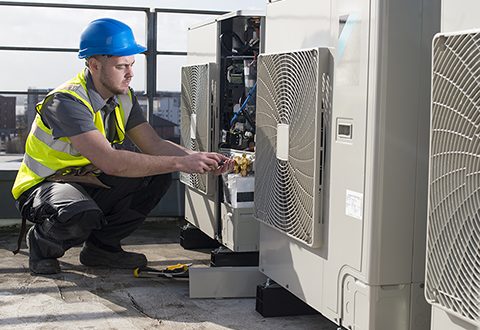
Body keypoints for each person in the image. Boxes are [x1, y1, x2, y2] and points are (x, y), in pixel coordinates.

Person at [11, 18, 233, 275]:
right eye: (121, 66)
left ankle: (101, 248)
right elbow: (110, 162)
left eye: (132, 64)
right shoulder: (66, 102)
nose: (130, 73)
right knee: (79, 213)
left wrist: (198, 157)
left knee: (156, 175)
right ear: (94, 65)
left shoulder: (123, 97)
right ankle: (42, 245)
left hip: (87, 181)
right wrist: (183, 162)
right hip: (45, 186)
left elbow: (154, 144)